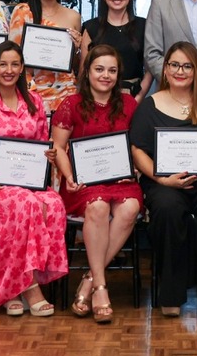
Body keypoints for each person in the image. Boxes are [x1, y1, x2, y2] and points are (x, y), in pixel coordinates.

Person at [0, 41, 69, 314]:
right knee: (23, 203)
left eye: (14, 64)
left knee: (53, 203)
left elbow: (42, 144)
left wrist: (49, 156)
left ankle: (13, 288)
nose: (8, 70)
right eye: (2, 64)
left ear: (22, 69)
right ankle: (29, 288)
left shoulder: (36, 103)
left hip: (26, 179)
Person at [130, 41, 197, 318]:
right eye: (174, 65)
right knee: (167, 210)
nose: (180, 71)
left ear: (196, 71)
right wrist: (161, 179)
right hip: (164, 180)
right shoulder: (150, 105)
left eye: (187, 66)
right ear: (165, 70)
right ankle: (171, 295)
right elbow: (137, 149)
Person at [50, 42, 142, 323]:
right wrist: (69, 177)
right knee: (98, 207)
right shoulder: (71, 104)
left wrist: (133, 170)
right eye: (99, 69)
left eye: (112, 71)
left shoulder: (129, 104)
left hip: (121, 179)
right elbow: (59, 148)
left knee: (130, 208)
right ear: (87, 71)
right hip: (82, 182)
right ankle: (101, 288)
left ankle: (89, 280)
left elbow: (137, 148)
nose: (106, 75)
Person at [10, 0, 85, 114]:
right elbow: (13, 59)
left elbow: (76, 66)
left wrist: (78, 49)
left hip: (67, 94)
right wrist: (32, 96)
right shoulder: (23, 12)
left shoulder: (73, 16)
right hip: (32, 95)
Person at [86, 0, 146, 96]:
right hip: (97, 99)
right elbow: (83, 71)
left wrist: (137, 99)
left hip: (134, 97)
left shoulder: (144, 25)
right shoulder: (90, 27)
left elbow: (150, 71)